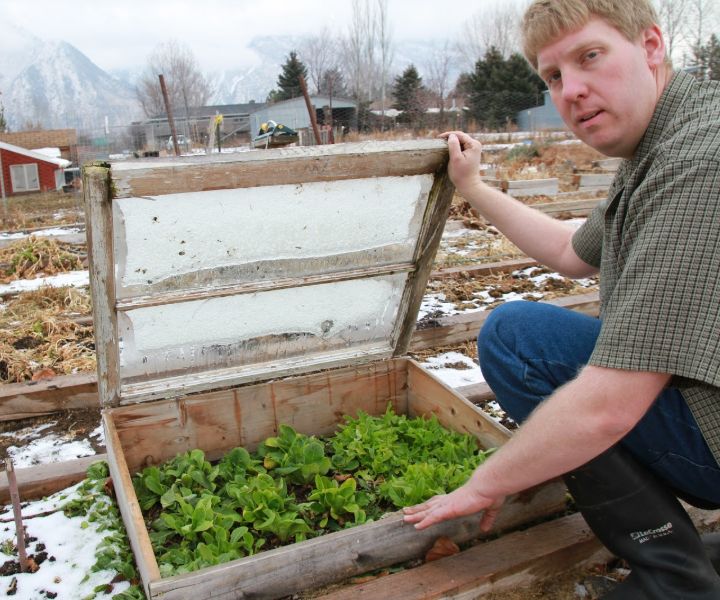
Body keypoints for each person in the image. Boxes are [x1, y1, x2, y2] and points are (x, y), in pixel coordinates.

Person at [403, 0, 720, 597]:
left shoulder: (700, 163)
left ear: (651, 46)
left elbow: (608, 407)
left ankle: (676, 581)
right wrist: (473, 186)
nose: (570, 90)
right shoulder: (666, 133)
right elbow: (574, 251)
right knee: (518, 330)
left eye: (590, 56)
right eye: (553, 76)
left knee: (527, 353)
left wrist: (485, 482)